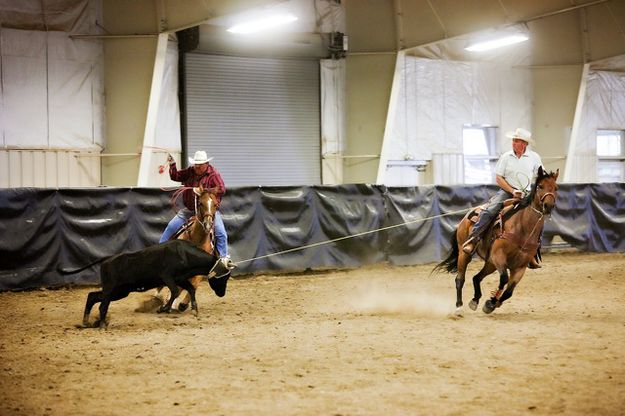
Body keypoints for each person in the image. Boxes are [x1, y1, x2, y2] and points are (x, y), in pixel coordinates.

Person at [462, 128, 543, 268]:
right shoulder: (506, 157)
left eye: (516, 140)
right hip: (507, 191)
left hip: (527, 194)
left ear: (524, 143)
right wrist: (512, 190)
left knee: (538, 218)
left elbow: (541, 175)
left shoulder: (534, 157)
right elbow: (499, 178)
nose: (513, 142)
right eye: (513, 140)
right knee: (489, 210)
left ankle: (532, 253)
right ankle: (473, 240)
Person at [160, 150, 233, 267]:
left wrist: (203, 191)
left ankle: (223, 259)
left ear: (206, 164)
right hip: (189, 209)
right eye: (196, 164)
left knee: (220, 233)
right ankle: (159, 254)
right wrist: (172, 164)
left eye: (200, 164)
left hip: (207, 211)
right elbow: (175, 176)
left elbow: (221, 189)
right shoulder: (190, 171)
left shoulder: (213, 175)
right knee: (171, 227)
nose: (197, 167)